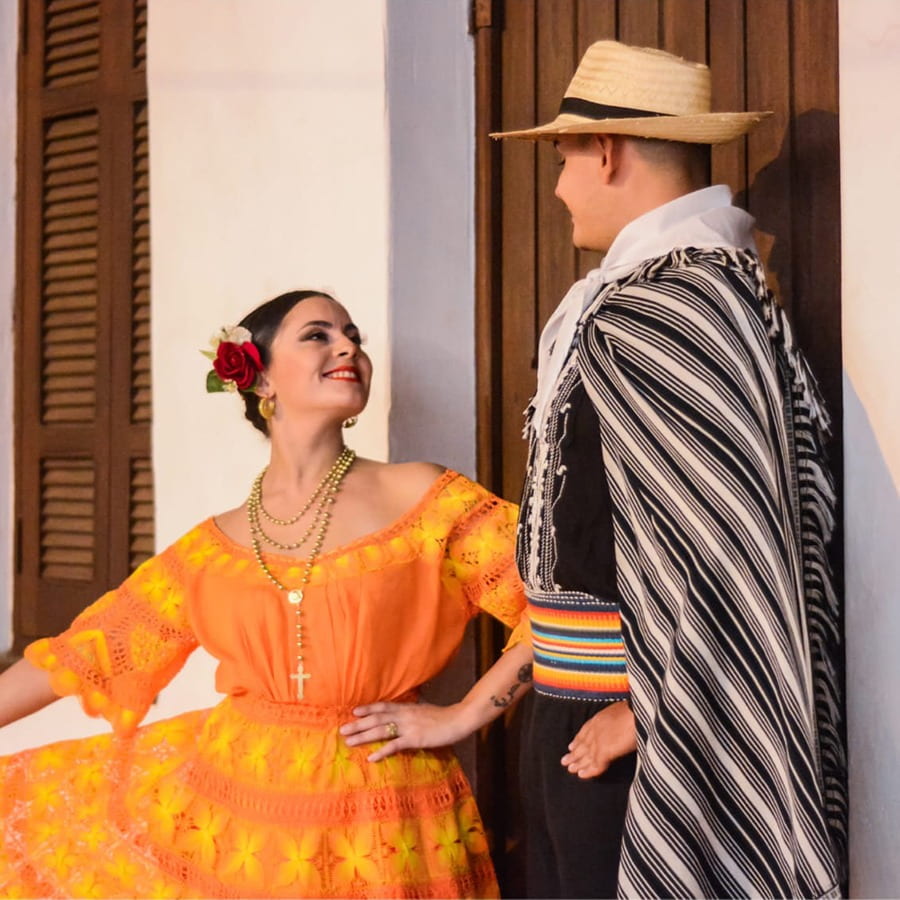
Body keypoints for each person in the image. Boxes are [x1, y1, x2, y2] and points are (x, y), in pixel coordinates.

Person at [0, 289, 532, 898]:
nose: (348, 346)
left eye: (353, 333)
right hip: (234, 808)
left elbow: (560, 601)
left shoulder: (425, 498)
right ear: (260, 378)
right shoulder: (212, 546)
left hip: (384, 810)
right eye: (318, 335)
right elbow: (91, 651)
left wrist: (464, 715)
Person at [490, 40, 847, 898]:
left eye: (564, 157)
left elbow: (734, 544)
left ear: (606, 151)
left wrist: (653, 712)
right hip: (580, 702)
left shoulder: (674, 302)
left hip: (642, 719)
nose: (559, 185)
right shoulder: (661, 293)